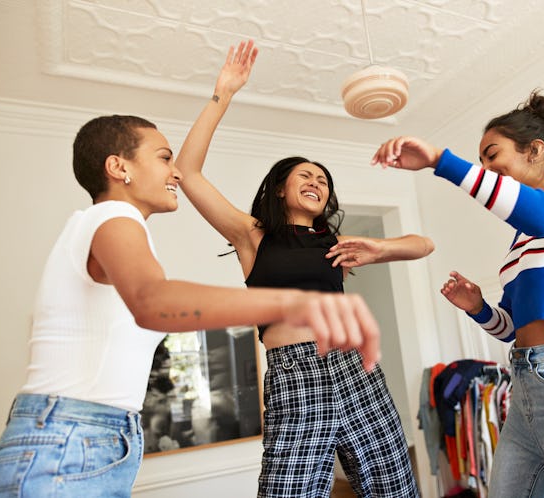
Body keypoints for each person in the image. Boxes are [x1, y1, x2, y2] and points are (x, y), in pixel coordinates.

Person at [0, 70, 382, 498]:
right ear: (119, 167)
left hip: (91, 437)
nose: (175, 172)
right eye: (164, 158)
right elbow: (154, 301)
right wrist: (300, 305)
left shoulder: (120, 228)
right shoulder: (112, 217)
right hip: (68, 441)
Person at [175, 40, 432, 497]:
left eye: (323, 180)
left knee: (396, 491)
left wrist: (376, 247)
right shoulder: (252, 236)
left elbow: (423, 244)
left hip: (357, 372)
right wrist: (223, 94)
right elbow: (188, 173)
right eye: (305, 176)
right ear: (279, 189)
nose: (316, 183)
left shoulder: (337, 243)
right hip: (294, 377)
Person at [371, 91, 544, 497]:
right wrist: (479, 308)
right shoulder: (522, 240)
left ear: (534, 150)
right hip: (524, 391)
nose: (486, 168)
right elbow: (513, 329)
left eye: (492, 155)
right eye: (480, 162)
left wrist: (440, 161)